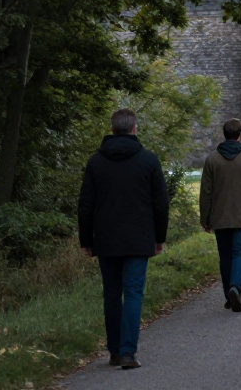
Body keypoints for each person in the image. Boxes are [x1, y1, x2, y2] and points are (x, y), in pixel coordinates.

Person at [78, 108, 168, 370]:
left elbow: (86, 204)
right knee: (133, 293)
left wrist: (86, 240)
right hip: (139, 238)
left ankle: (114, 351)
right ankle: (128, 351)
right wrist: (159, 237)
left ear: (111, 129)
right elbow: (160, 204)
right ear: (134, 129)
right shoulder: (149, 161)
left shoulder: (96, 162)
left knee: (112, 294)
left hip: (106, 238)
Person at [199, 118, 241, 312]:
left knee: (225, 256)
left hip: (220, 217)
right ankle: (235, 287)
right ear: (240, 134)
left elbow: (206, 192)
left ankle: (229, 297)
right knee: (239, 254)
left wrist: (205, 218)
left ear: (224, 134)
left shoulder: (212, 159)